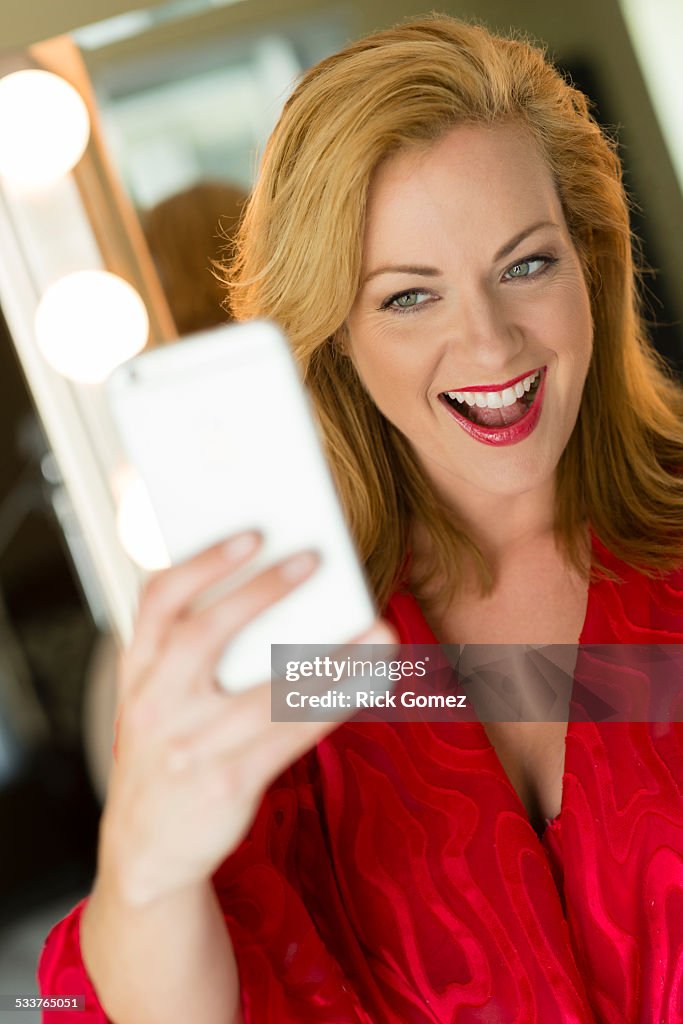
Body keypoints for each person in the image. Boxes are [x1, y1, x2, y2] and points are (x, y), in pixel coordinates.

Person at [38, 14, 683, 1023]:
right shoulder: (300, 656)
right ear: (333, 333)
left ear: (589, 262)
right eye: (406, 297)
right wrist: (146, 872)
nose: (488, 342)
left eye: (524, 265)